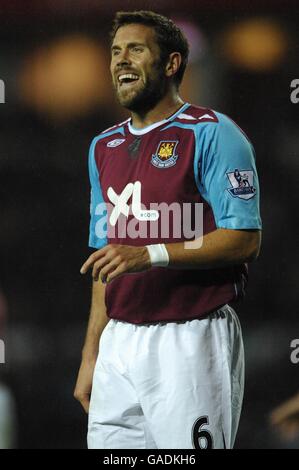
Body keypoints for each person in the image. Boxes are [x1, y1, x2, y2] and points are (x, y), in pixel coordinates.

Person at [74, 10, 262, 449]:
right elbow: (106, 258)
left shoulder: (215, 134)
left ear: (171, 63)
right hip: (119, 343)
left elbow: (245, 238)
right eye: (116, 52)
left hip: (191, 337)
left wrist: (151, 252)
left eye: (135, 50)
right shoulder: (103, 146)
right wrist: (91, 355)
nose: (121, 61)